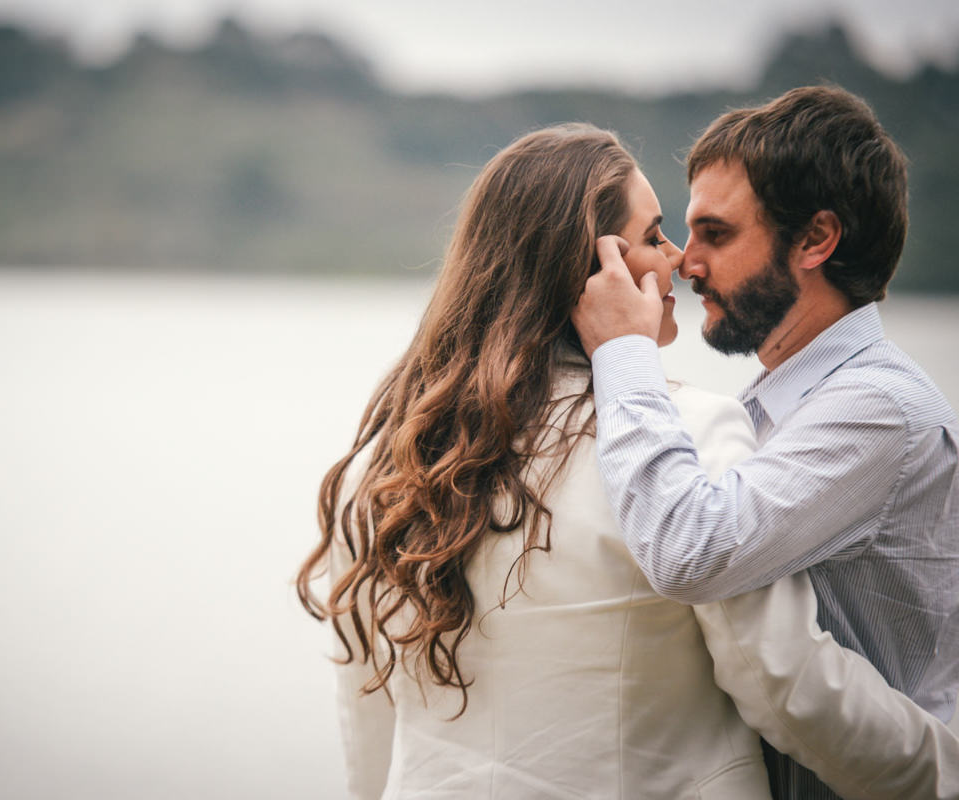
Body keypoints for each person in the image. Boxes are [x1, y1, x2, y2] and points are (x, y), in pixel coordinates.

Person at [296, 123, 959, 799]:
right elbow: (787, 686)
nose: (679, 260)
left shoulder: (391, 465)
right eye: (655, 235)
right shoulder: (692, 434)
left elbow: (367, 712)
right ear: (591, 267)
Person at [572, 86, 959, 799]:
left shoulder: (878, 410)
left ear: (815, 240)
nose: (686, 263)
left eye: (716, 234)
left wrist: (624, 354)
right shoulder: (781, 402)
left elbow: (690, 553)